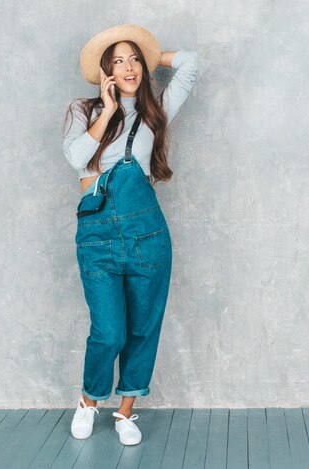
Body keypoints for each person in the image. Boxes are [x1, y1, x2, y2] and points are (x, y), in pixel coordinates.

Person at [61, 23, 197, 445]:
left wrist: (155, 55)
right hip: (97, 237)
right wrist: (106, 108)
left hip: (147, 235)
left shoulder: (156, 112)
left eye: (134, 59)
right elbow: (77, 158)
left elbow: (192, 65)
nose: (129, 67)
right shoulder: (83, 112)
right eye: (118, 61)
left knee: (142, 328)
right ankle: (88, 402)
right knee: (109, 331)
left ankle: (125, 413)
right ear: (106, 71)